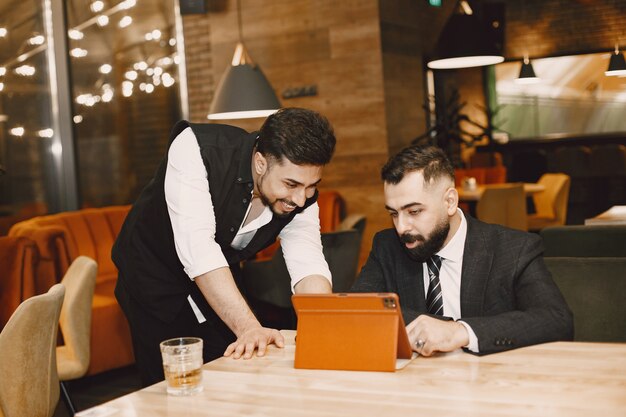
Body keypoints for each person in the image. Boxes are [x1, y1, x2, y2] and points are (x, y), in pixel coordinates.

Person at [112, 108, 336, 385]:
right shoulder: (198, 149)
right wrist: (249, 327)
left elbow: (308, 262)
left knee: (237, 367)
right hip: (153, 274)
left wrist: (322, 325)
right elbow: (199, 249)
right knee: (174, 380)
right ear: (260, 163)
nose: (300, 199)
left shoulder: (300, 197)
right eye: (291, 184)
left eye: (312, 186)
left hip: (218, 274)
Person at [351, 145, 573, 356]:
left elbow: (555, 320)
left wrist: (461, 332)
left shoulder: (513, 249)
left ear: (449, 201)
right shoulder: (387, 246)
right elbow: (358, 310)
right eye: (393, 213)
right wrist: (434, 326)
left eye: (414, 211)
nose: (401, 227)